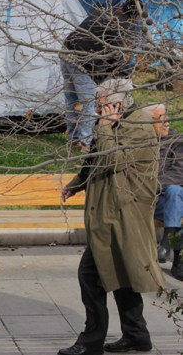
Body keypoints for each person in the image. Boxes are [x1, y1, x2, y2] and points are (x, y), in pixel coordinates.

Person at [59, 79, 164, 355]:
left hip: (123, 217)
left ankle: (91, 341)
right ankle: (137, 336)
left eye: (101, 103)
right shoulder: (112, 123)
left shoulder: (139, 127)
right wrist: (77, 183)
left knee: (91, 276)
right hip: (112, 215)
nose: (96, 108)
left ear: (117, 104)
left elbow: (112, 160)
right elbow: (95, 160)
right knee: (120, 275)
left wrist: (105, 127)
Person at [59, 0, 141, 151]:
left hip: (66, 52)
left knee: (72, 100)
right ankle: (85, 142)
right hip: (81, 62)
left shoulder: (106, 12)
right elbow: (117, 55)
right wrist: (124, 74)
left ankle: (73, 136)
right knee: (87, 104)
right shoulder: (122, 25)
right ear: (136, 16)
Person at [144, 103, 183, 280]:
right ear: (148, 122)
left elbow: (179, 173)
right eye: (161, 119)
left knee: (174, 192)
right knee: (175, 208)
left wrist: (154, 185)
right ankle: (177, 258)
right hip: (151, 202)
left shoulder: (177, 141)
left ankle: (168, 242)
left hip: (172, 197)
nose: (167, 122)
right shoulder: (140, 143)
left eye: (166, 118)